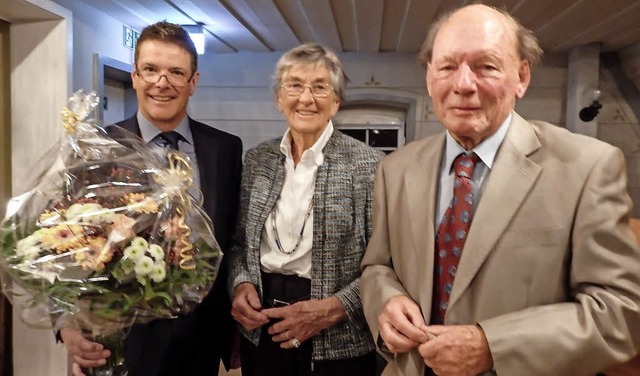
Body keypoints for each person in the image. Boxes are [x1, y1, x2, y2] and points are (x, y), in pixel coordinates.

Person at [360, 4, 640, 376]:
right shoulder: (394, 170)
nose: (463, 84)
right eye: (447, 67)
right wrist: (386, 301)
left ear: (521, 77)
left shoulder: (589, 167)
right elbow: (378, 266)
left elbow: (620, 313)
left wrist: (492, 346)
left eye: (485, 66)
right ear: (430, 78)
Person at [59, 21, 243, 376]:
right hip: (119, 335)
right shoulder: (98, 148)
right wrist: (67, 323)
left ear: (194, 81)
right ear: (134, 76)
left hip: (201, 337)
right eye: (151, 70)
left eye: (176, 72)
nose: (162, 82)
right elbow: (65, 244)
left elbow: (233, 236)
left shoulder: (225, 148)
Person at [228, 43, 383, 376]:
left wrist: (336, 308)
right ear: (279, 98)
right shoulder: (258, 160)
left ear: (336, 101)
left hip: (337, 338)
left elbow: (385, 263)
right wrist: (240, 285)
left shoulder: (369, 165)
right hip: (263, 327)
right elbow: (239, 243)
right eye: (295, 85)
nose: (306, 98)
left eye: (320, 87)